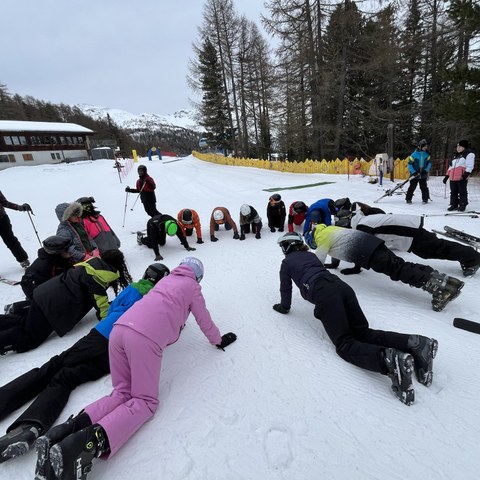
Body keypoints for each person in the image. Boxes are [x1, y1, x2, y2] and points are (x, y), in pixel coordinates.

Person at [36, 258, 237, 479]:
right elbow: (203, 319)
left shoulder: (166, 280)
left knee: (121, 392)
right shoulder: (192, 287)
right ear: (198, 276)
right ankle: (89, 443)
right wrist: (217, 340)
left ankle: (65, 432)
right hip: (143, 338)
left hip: (119, 330)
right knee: (145, 401)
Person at [0, 264, 170, 466]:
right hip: (118, 353)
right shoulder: (161, 300)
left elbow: (113, 310)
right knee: (67, 377)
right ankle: (29, 426)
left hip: (103, 335)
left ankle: (6, 401)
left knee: (55, 365)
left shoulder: (133, 288)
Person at [272, 232, 438, 406]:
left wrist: (284, 307)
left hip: (324, 294)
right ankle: (416, 343)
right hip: (342, 287)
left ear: (287, 246)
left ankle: (388, 360)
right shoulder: (309, 255)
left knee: (344, 344)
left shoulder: (286, 263)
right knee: (362, 332)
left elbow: (286, 289)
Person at [307, 223, 464, 312]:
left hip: (366, 252)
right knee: (400, 265)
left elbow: (316, 261)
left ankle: (440, 289)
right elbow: (336, 249)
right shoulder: (330, 230)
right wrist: (334, 265)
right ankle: (447, 281)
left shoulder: (320, 238)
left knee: (397, 270)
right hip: (372, 243)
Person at [0, 250, 132, 355]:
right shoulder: (98, 278)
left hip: (46, 293)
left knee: (26, 321)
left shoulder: (92, 265)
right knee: (29, 337)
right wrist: (113, 322)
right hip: (52, 305)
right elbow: (102, 308)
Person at [343, 206, 480, 277]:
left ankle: (473, 258)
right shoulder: (364, 220)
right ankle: (469, 257)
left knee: (439, 248)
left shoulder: (363, 226)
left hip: (411, 233)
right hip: (410, 231)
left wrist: (356, 267)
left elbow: (363, 248)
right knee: (434, 250)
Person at [20, 235, 74, 301]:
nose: (71, 252)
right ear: (57, 252)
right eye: (67, 250)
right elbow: (26, 282)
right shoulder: (44, 266)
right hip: (48, 297)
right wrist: (36, 300)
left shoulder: (63, 260)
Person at [0, 190, 31, 269]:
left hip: (2, 219)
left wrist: (19, 207)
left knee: (11, 241)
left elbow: (5, 203)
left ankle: (24, 261)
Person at [444, 140, 475, 212]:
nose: (458, 148)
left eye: (460, 147)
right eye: (457, 146)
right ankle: (453, 204)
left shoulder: (469, 154)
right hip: (452, 178)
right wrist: (446, 176)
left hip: (461, 177)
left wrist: (466, 174)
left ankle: (463, 204)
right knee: (453, 192)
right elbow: (450, 167)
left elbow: (470, 165)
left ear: (464, 147)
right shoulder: (455, 155)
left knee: (462, 191)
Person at [405, 139, 431, 204]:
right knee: (412, 187)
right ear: (420, 146)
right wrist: (413, 172)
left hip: (423, 175)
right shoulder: (413, 155)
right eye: (424, 146)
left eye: (426, 146)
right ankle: (408, 199)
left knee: (424, 187)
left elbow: (429, 163)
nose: (426, 148)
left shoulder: (427, 154)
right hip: (414, 175)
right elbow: (409, 165)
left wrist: (426, 170)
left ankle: (425, 199)